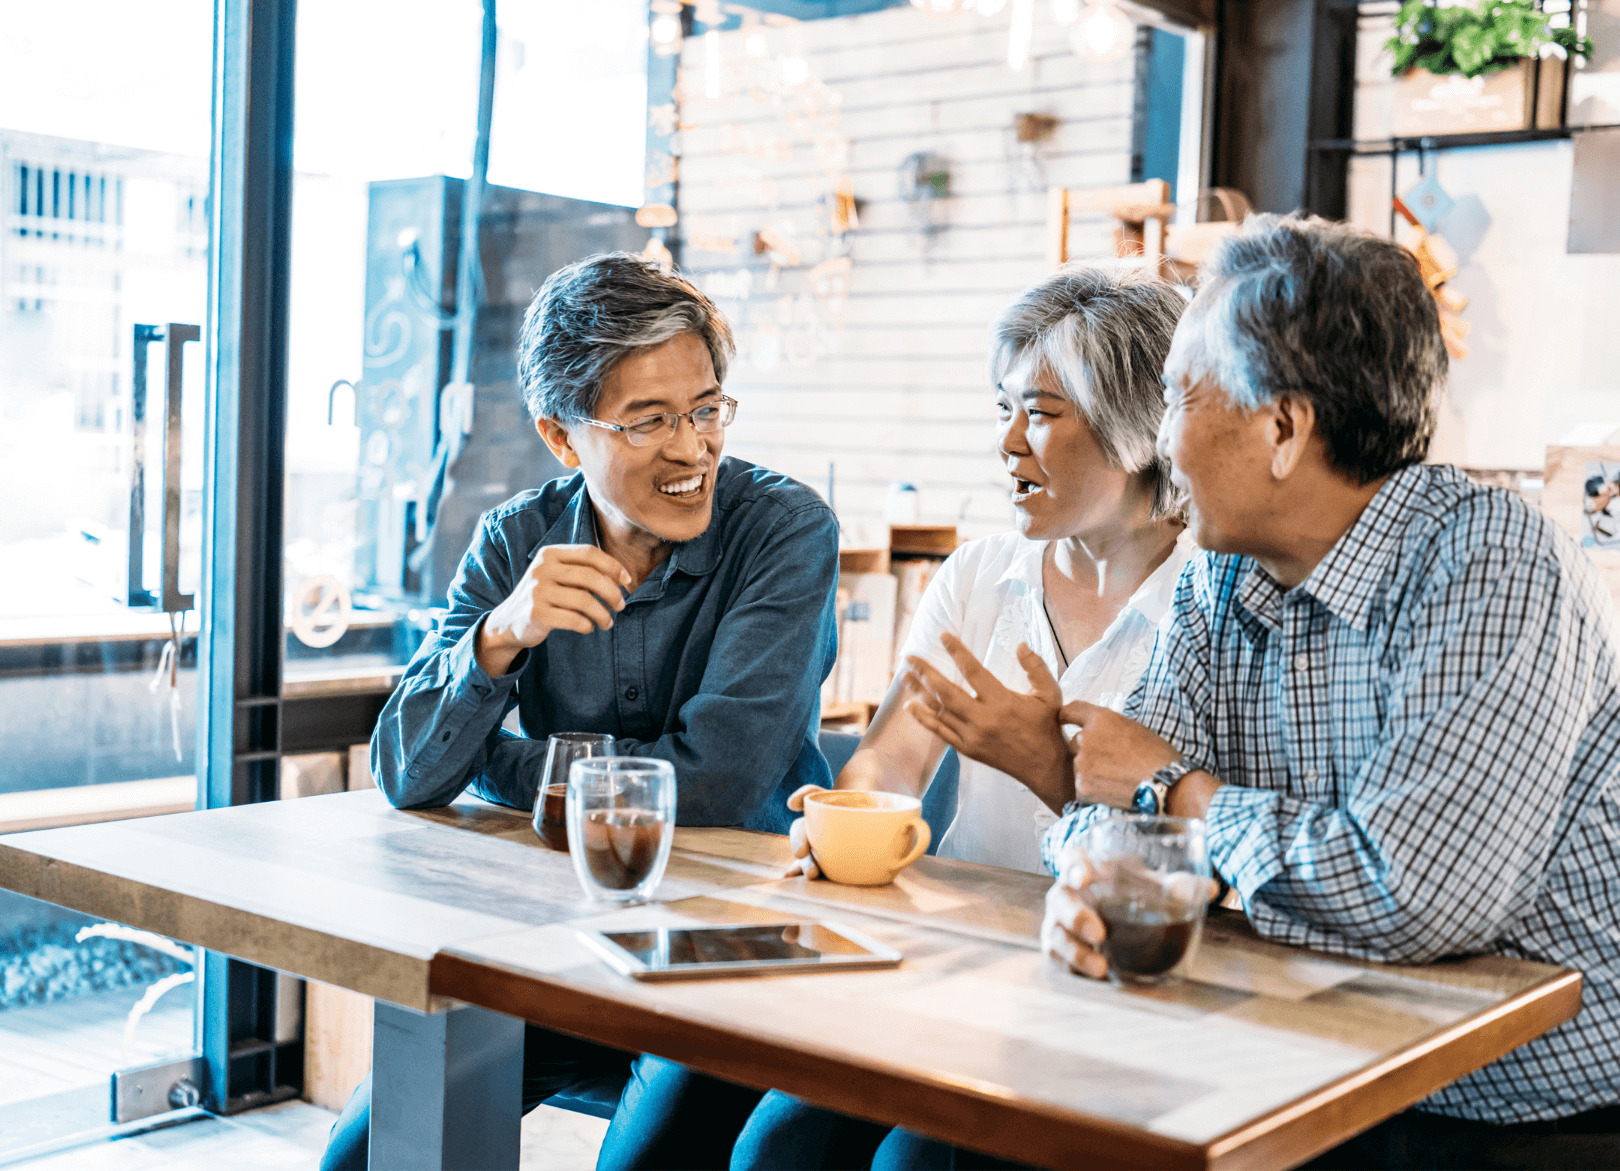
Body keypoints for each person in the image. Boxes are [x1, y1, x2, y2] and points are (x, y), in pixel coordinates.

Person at [1007, 214, 1620, 1171]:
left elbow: (1412, 894)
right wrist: (1091, 878)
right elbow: (1108, 792)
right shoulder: (1225, 573)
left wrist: (1181, 797)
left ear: (1283, 430)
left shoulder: (1492, 560)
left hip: (1514, 1106)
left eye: (1176, 400)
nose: (1161, 443)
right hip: (1300, 1055)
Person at [606, 263, 1199, 1171]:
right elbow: (889, 763)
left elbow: (1192, 843)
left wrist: (1051, 762)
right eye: (1002, 408)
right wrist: (847, 824)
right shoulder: (978, 577)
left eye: (1039, 412)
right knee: (767, 1141)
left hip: (1097, 985)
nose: (1007, 444)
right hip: (942, 957)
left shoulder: (1214, 603)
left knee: (905, 1162)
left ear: (1135, 427)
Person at [319, 251, 841, 1171]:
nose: (691, 448)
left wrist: (521, 764)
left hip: (730, 950)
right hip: (557, 941)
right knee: (367, 1154)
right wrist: (498, 638)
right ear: (562, 437)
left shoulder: (784, 531)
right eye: (649, 422)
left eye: (707, 409)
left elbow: (718, 784)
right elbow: (406, 771)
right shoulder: (516, 538)